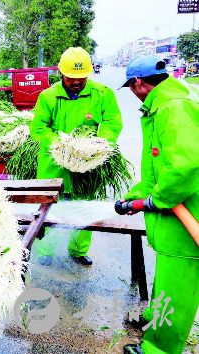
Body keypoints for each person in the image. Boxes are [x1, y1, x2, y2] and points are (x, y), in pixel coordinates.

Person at [118, 55, 199, 354]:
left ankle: (159, 350)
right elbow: (160, 164)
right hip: (178, 213)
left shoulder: (172, 108)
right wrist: (135, 194)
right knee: (166, 276)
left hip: (188, 216)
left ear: (138, 83)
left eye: (130, 86)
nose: (131, 91)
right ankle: (155, 318)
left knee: (176, 287)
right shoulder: (170, 100)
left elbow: (184, 168)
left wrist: (154, 201)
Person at [30, 47, 123, 266]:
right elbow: (38, 127)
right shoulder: (48, 96)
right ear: (62, 73)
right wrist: (60, 144)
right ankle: (45, 251)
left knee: (84, 203)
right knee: (50, 206)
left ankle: (78, 251)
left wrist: (98, 144)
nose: (76, 82)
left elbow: (112, 122)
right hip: (54, 163)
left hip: (88, 162)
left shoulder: (102, 94)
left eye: (81, 78)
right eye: (72, 77)